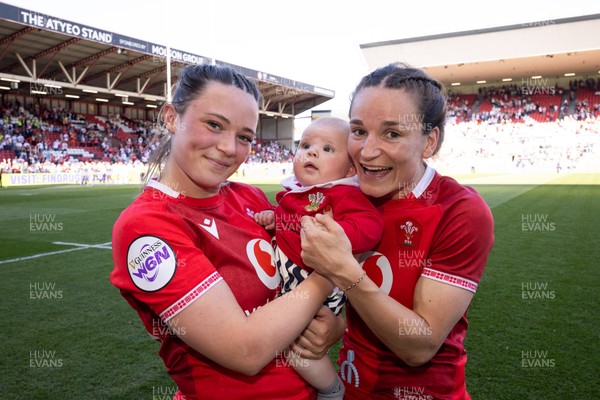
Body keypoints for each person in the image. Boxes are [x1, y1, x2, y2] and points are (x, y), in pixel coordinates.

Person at [109, 64, 344, 400]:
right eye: (214, 125)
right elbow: (244, 351)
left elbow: (298, 293)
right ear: (172, 118)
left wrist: (335, 326)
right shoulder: (146, 226)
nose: (230, 148)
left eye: (244, 136)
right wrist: (328, 275)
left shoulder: (250, 199)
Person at [299, 63, 495, 399]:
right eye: (359, 131)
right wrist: (340, 324)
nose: (367, 151)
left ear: (429, 141)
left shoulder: (460, 211)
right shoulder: (346, 194)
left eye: (392, 133)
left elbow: (420, 346)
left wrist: (343, 271)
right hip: (350, 387)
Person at [254, 117, 384, 399]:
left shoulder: (342, 193)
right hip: (293, 283)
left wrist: (338, 234)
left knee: (297, 344)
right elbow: (288, 218)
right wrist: (273, 216)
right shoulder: (295, 194)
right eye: (306, 145)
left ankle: (331, 389)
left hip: (320, 288)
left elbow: (371, 224)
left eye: (327, 149)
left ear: (349, 168)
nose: (312, 152)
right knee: (283, 338)